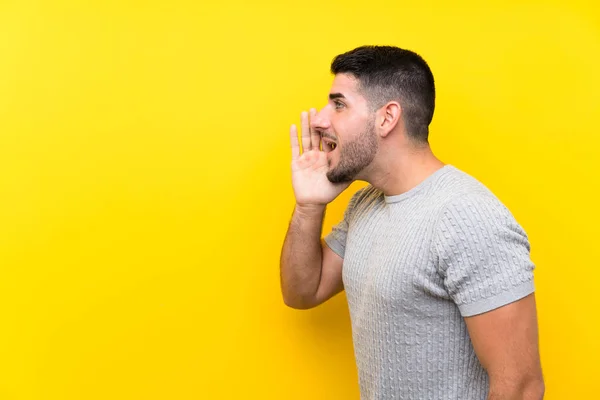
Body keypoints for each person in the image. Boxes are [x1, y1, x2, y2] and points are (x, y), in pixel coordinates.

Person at [279, 45, 544, 400]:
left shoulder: (466, 216)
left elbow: (522, 388)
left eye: (339, 104)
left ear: (387, 118)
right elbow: (302, 292)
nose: (319, 120)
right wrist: (309, 206)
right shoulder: (365, 204)